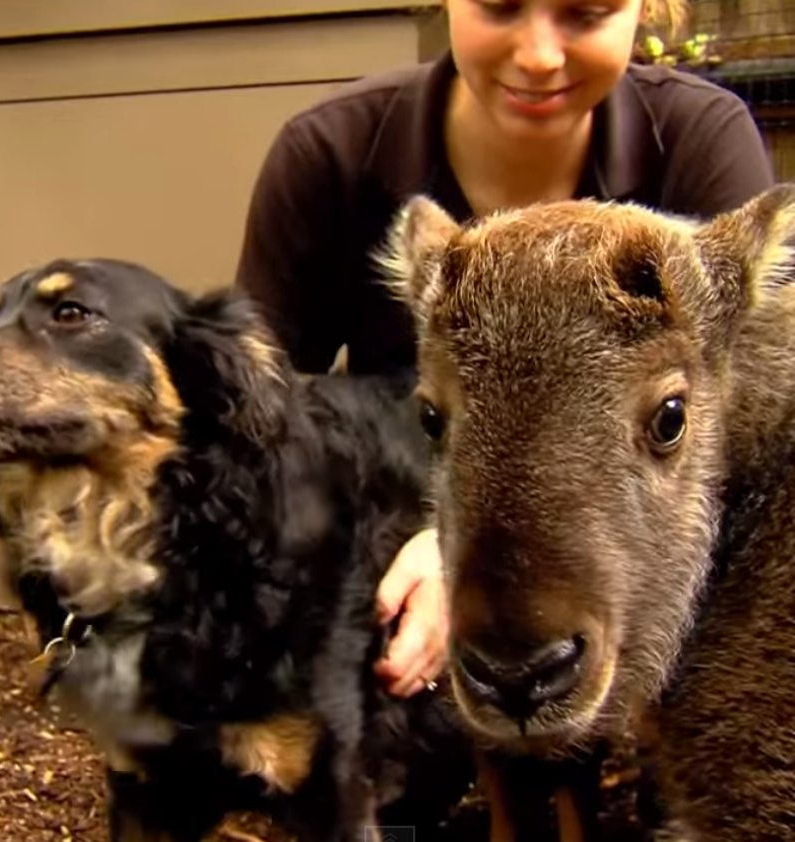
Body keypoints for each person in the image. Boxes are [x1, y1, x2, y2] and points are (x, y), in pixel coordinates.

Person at [235, 0, 775, 699]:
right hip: (401, 547)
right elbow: (257, 423)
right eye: (500, 6)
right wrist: (429, 534)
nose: (540, 54)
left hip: (631, 582)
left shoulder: (699, 140)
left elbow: (754, 427)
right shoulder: (330, 152)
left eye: (586, 12)